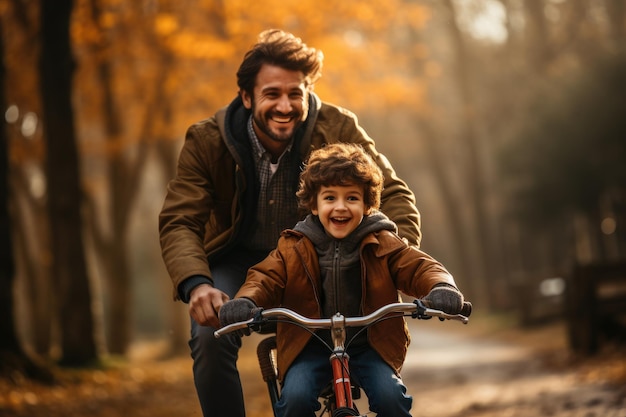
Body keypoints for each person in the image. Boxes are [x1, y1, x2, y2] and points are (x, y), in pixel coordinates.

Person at [158, 29, 421, 417]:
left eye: (295, 94)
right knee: (210, 336)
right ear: (246, 97)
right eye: (272, 94)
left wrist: (395, 253)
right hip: (237, 261)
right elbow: (180, 219)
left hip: (316, 254)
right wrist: (196, 284)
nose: (285, 106)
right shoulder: (207, 140)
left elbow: (392, 192)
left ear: (308, 93)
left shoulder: (338, 127)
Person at [219, 143, 470, 417]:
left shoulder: (382, 241)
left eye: (352, 198)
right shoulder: (293, 246)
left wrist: (441, 286)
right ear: (314, 205)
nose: (341, 207)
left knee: (391, 399)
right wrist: (246, 300)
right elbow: (264, 277)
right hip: (310, 345)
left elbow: (419, 266)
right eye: (330, 198)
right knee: (294, 399)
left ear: (367, 204)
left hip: (368, 345)